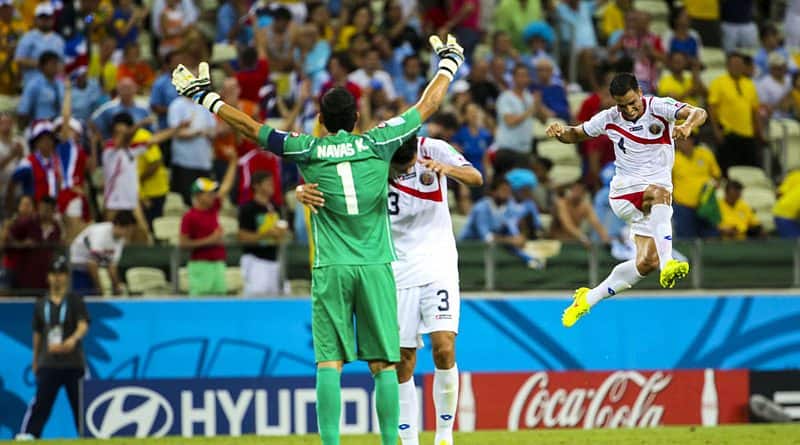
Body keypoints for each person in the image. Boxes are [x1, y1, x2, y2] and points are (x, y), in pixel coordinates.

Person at [170, 33, 464, 445]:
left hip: (330, 269)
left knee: (330, 363)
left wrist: (208, 99)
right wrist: (449, 62)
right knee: (383, 363)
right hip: (377, 266)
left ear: (321, 121)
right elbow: (427, 106)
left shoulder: (305, 149)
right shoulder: (378, 143)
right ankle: (392, 443)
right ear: (357, 118)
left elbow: (253, 129)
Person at [297, 134, 482, 445]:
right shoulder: (370, 159)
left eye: (405, 167)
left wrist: (448, 170)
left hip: (438, 263)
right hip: (394, 269)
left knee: (444, 346)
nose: (399, 174)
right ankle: (409, 440)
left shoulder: (433, 148)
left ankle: (444, 436)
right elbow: (332, 183)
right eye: (396, 169)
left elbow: (476, 177)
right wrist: (302, 190)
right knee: (402, 359)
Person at [544, 72, 707, 327]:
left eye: (633, 102)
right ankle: (669, 263)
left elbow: (699, 112)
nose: (629, 110)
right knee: (659, 194)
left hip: (652, 201)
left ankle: (588, 298)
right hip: (626, 191)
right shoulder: (609, 118)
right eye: (622, 105)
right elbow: (576, 133)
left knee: (646, 262)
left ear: (640, 93)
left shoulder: (659, 107)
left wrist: (686, 126)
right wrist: (559, 131)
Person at [16, 256, 88, 440]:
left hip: (73, 362)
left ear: (67, 277)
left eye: (61, 274)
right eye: (54, 274)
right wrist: (35, 359)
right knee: (41, 402)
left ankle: (88, 434)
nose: (57, 278)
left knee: (81, 403)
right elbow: (38, 333)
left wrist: (73, 340)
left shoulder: (74, 300)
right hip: (49, 362)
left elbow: (83, 324)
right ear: (48, 277)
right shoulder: (41, 304)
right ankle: (31, 434)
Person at [179, 149, 237, 296]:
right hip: (200, 265)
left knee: (220, 304)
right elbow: (183, 244)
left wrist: (233, 162)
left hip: (218, 263)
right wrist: (210, 240)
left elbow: (226, 186)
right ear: (198, 195)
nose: (213, 195)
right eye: (208, 193)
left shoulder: (213, 208)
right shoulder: (189, 216)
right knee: (200, 305)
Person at [707, 52, 762, 175]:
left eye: (740, 64)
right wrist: (715, 130)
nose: (737, 67)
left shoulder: (749, 84)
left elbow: (754, 111)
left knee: (752, 171)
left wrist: (759, 132)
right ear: (727, 66)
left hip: (748, 135)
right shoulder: (718, 82)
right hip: (728, 134)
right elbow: (711, 107)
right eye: (734, 64)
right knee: (728, 171)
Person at [237, 171, 290, 296]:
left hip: (275, 259)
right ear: (256, 185)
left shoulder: (276, 208)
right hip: (256, 260)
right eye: (268, 183)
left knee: (282, 296)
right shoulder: (248, 208)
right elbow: (242, 236)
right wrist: (266, 234)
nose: (272, 186)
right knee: (257, 296)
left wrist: (282, 234)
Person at [68, 211, 137, 296]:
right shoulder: (100, 232)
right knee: (82, 298)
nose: (129, 233)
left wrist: (117, 287)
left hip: (90, 268)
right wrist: (99, 289)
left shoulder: (120, 239)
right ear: (118, 225)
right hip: (76, 267)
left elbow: (112, 265)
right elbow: (92, 264)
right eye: (128, 230)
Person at [671, 136, 721, 238]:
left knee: (711, 239)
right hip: (683, 208)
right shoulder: (673, 158)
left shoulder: (705, 154)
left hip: (706, 206)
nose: (678, 143)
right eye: (677, 141)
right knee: (685, 241)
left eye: (682, 140)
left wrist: (714, 185)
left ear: (691, 140)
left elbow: (717, 176)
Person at [14, 3, 65, 86]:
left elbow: (62, 64)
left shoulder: (59, 40)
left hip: (52, 86)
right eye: (42, 17)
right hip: (31, 84)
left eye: (48, 17)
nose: (45, 20)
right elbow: (18, 59)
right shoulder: (27, 37)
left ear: (53, 19)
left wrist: (53, 68)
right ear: (36, 19)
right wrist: (42, 64)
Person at [549, 181, 611, 247]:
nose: (576, 193)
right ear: (569, 191)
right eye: (574, 190)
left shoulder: (585, 207)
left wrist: (606, 238)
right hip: (556, 241)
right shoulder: (561, 204)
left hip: (573, 241)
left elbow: (596, 223)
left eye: (579, 191)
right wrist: (582, 237)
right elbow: (567, 224)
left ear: (583, 194)